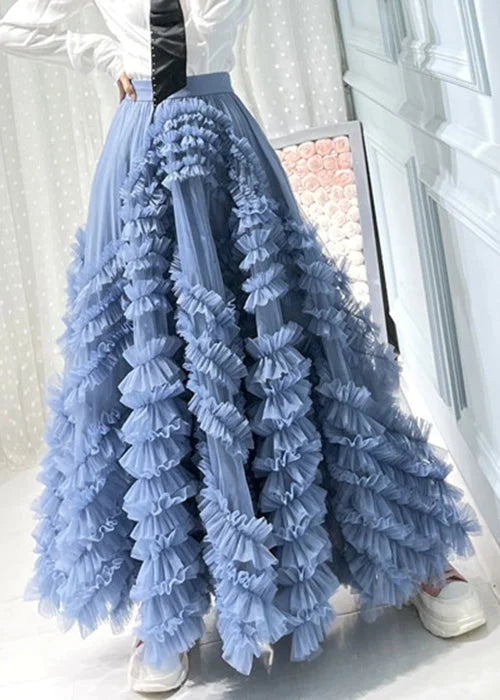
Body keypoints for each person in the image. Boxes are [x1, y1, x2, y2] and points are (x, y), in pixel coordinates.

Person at [0, 0, 487, 694]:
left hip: (224, 145)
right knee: (150, 355)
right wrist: (102, 54)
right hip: (137, 151)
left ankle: (404, 555)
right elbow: (15, 18)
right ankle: (165, 606)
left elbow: (205, 24)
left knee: (285, 336)